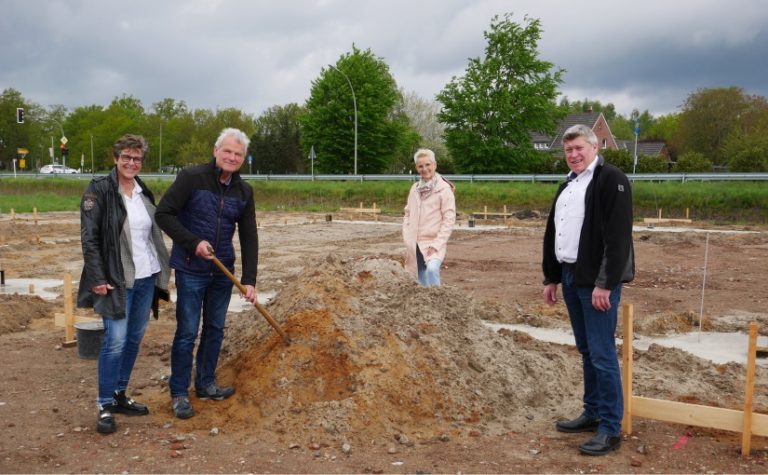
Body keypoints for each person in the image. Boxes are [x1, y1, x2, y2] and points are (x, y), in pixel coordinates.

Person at [542, 124, 635, 455]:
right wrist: (551, 277)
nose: (574, 155)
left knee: (602, 351)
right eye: (568, 150)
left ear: (595, 148)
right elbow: (555, 231)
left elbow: (618, 237)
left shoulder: (611, 180)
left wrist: (605, 284)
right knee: (586, 350)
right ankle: (593, 411)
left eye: (579, 148)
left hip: (595, 282)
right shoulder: (569, 185)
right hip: (569, 276)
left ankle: (610, 428)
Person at [156, 127, 258, 420]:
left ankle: (205, 384)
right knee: (188, 331)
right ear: (216, 151)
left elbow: (249, 236)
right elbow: (163, 214)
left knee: (215, 329)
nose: (232, 157)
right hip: (191, 268)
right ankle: (178, 393)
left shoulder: (244, 191)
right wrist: (193, 242)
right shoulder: (191, 177)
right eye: (227, 151)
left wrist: (249, 280)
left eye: (238, 154)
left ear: (243, 159)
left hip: (222, 271)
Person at [77, 134, 171, 434]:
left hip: (146, 278)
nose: (132, 163)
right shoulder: (100, 190)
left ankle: (119, 394)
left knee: (133, 339)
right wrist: (98, 277)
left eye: (137, 158)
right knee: (115, 340)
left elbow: (152, 235)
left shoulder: (144, 191)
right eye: (126, 157)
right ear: (116, 158)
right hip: (116, 279)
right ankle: (104, 404)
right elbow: (89, 238)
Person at [402, 148, 456, 286]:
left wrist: (437, 244)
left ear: (435, 165)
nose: (424, 169)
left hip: (433, 243)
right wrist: (407, 236)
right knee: (420, 279)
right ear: (416, 168)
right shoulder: (415, 188)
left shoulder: (444, 189)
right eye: (420, 166)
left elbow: (449, 220)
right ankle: (425, 306)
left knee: (432, 270)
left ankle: (439, 301)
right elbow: (407, 213)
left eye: (428, 165)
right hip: (415, 243)